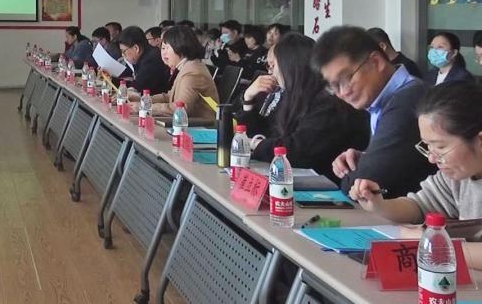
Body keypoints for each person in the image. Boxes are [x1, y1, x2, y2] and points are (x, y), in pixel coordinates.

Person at [349, 82, 482, 269]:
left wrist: (432, 245)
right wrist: (379, 205)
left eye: (440, 147)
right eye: (428, 146)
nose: (432, 158)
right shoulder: (460, 175)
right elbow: (419, 206)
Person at [313, 26, 434, 198]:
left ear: (376, 62)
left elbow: (363, 184)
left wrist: (355, 173)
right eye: (334, 86)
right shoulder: (382, 100)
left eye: (346, 79)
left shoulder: (409, 101)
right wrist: (364, 158)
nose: (342, 92)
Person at [238, 33, 370, 183]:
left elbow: (298, 151)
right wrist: (248, 99)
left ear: (290, 66)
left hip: (328, 186)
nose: (271, 72)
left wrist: (255, 144)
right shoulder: (294, 96)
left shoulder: (329, 102)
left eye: (274, 65)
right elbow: (266, 134)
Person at [149, 26, 219, 121]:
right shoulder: (187, 66)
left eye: (166, 48)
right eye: (162, 48)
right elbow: (170, 96)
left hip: (201, 126)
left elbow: (181, 108)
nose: (163, 54)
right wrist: (144, 100)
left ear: (180, 46)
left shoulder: (193, 72)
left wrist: (149, 107)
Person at [117, 26, 171, 95]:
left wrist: (114, 81)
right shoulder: (144, 55)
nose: (122, 55)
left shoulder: (151, 60)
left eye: (123, 51)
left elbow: (138, 88)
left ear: (136, 48)